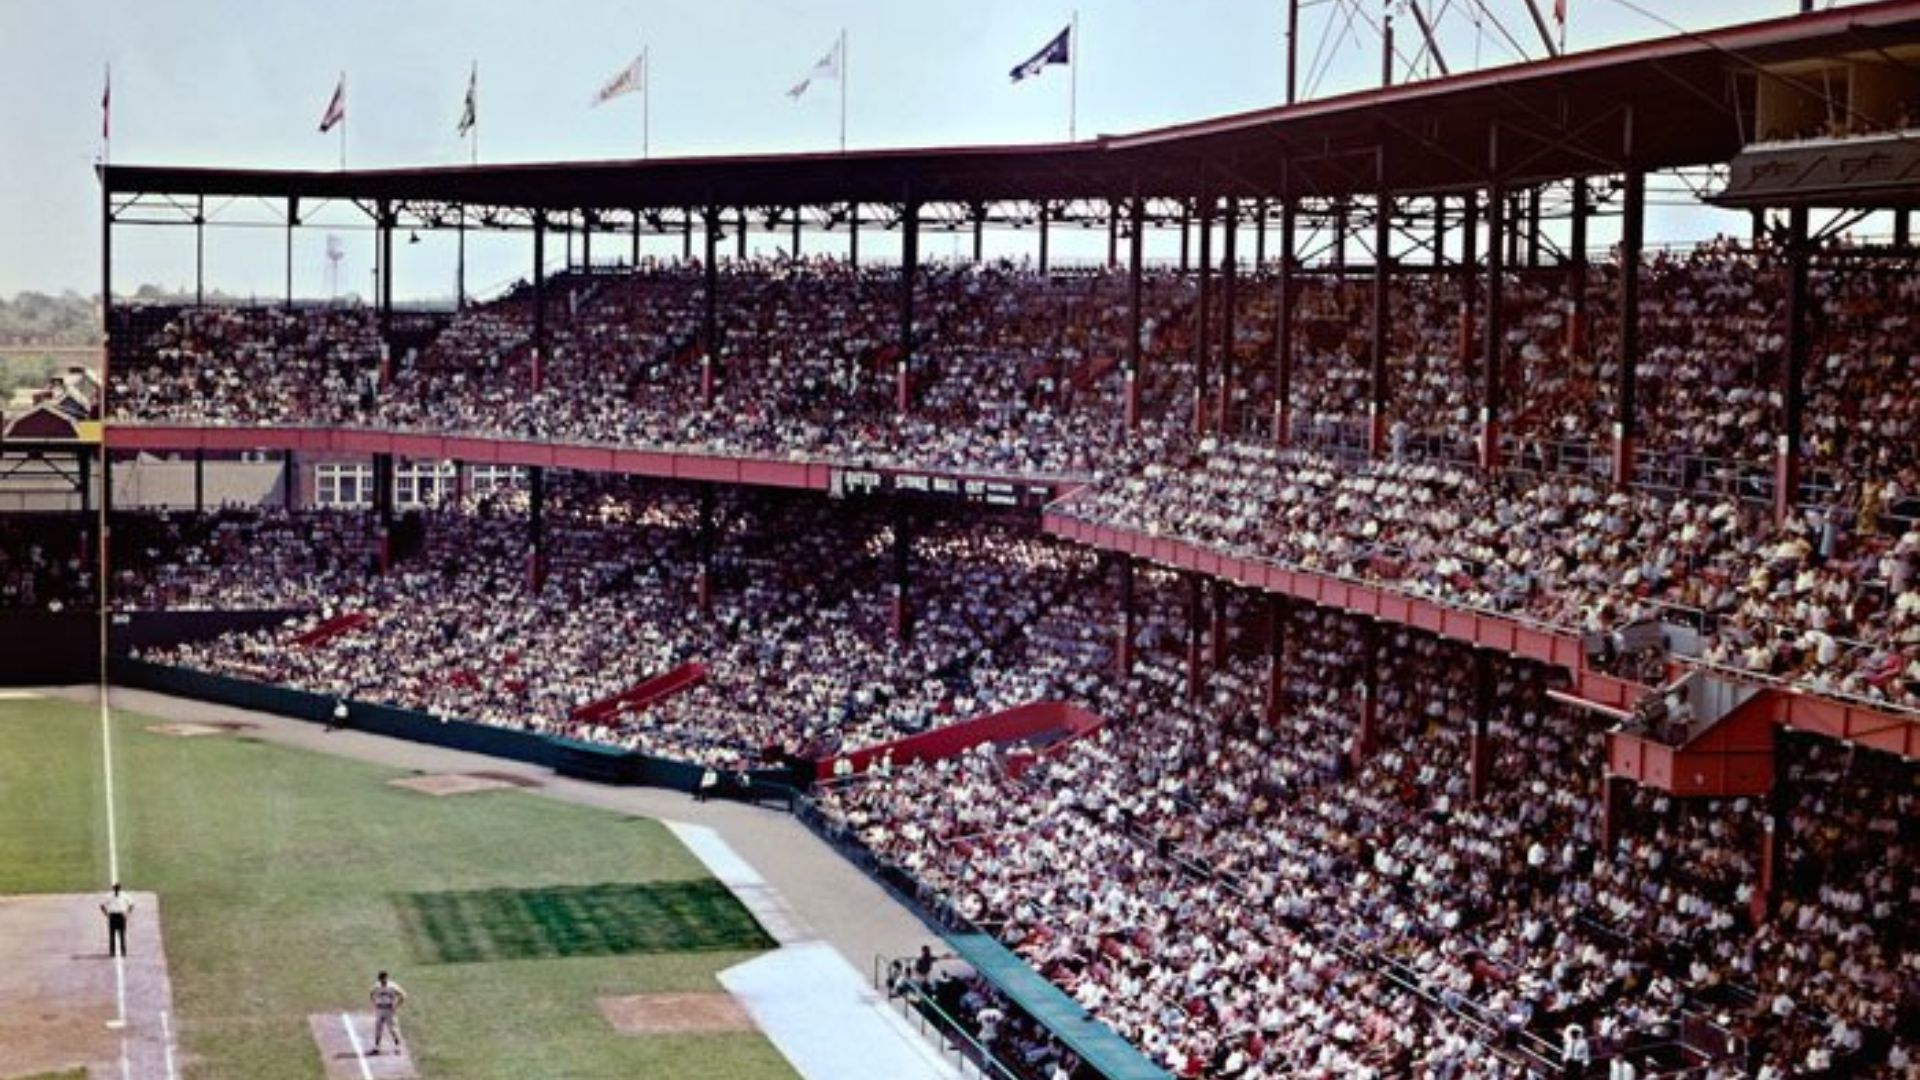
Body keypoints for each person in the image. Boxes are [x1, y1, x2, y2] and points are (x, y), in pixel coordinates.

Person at [369, 971, 407, 1054]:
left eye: (384, 979)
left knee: (393, 1029)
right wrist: (375, 1002)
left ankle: (398, 1046)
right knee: (378, 1028)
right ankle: (377, 1047)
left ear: (386, 978)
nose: (382, 981)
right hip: (380, 1009)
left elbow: (403, 995)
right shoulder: (376, 986)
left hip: (389, 1009)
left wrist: (396, 1006)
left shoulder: (392, 986)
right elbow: (371, 993)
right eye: (381, 979)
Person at [100, 883, 134, 958]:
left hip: (121, 915)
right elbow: (102, 905)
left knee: (122, 934)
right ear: (113, 889)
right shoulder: (109, 896)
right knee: (112, 935)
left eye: (118, 889)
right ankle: (112, 952)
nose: (116, 891)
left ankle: (123, 951)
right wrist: (107, 914)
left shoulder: (125, 895)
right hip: (113, 915)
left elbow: (131, 904)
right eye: (115, 889)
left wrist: (127, 913)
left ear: (120, 889)